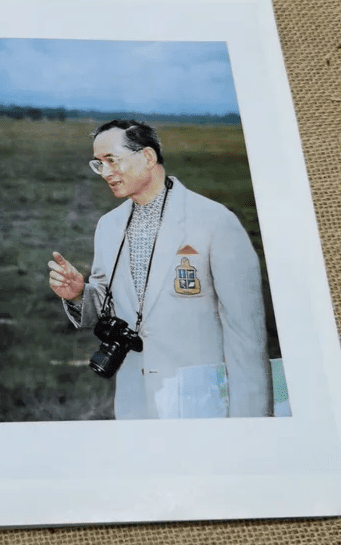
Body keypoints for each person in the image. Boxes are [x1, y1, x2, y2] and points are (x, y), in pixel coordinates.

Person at [48, 119, 273, 419]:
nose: (105, 173)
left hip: (203, 405)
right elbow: (107, 304)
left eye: (112, 160)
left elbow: (246, 337)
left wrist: (251, 423)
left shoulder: (215, 222)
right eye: (98, 164)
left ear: (147, 157)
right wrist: (78, 294)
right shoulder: (108, 226)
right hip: (134, 406)